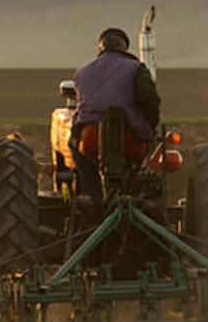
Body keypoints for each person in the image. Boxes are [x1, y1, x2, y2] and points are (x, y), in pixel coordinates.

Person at [69, 27, 161, 197]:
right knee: (150, 147)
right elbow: (150, 102)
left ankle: (92, 194)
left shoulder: (83, 71)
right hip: (131, 139)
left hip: (91, 139)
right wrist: (151, 126)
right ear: (124, 48)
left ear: (101, 48)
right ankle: (137, 189)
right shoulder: (136, 69)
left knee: (74, 146)